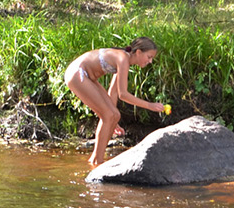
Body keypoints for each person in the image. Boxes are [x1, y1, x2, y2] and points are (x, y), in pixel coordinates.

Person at [63, 36, 168, 166]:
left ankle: (95, 160)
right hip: (78, 73)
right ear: (139, 52)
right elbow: (123, 94)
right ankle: (97, 161)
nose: (150, 61)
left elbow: (114, 92)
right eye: (149, 57)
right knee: (109, 115)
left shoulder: (124, 60)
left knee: (114, 115)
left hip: (87, 77)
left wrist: (113, 120)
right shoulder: (122, 59)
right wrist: (149, 105)